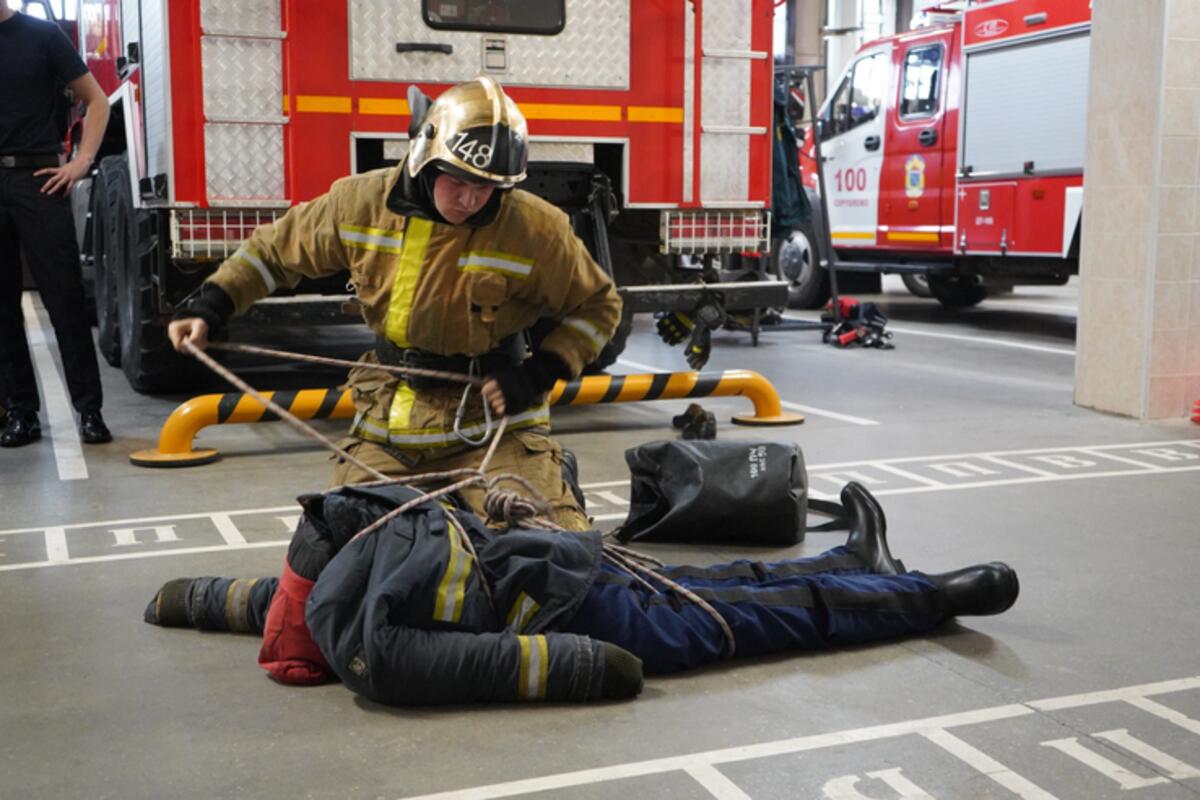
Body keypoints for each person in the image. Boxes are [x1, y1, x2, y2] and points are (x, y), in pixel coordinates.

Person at [167, 76, 620, 530]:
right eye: (459, 180)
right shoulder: (359, 203)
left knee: (548, 553)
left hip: (497, 430)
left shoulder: (536, 228)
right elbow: (275, 253)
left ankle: (551, 483)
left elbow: (598, 306)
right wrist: (211, 305)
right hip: (387, 424)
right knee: (342, 543)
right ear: (426, 154)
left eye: (487, 187)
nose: (470, 199)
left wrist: (541, 371)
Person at [143, 482, 1020, 705]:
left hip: (571, 581)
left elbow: (243, 599)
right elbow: (247, 595)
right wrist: (603, 670)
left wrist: (179, 599)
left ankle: (889, 577)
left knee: (746, 602)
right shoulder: (363, 590)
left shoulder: (341, 610)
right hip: (575, 588)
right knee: (740, 603)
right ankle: (906, 588)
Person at [0, 1, 112, 447]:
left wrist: (81, 161)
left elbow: (97, 100)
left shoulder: (42, 36)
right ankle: (21, 413)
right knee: (1, 309)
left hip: (39, 179)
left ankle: (90, 412)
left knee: (64, 298)